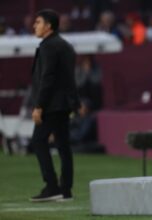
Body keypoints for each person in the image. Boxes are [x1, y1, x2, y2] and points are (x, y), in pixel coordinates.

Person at [30, 9, 79, 202]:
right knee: (63, 146)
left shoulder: (48, 46)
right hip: (65, 103)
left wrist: (39, 105)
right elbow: (68, 78)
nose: (35, 25)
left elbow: (47, 78)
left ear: (48, 25)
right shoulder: (66, 46)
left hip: (51, 104)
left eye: (38, 22)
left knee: (38, 141)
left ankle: (51, 186)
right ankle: (65, 189)